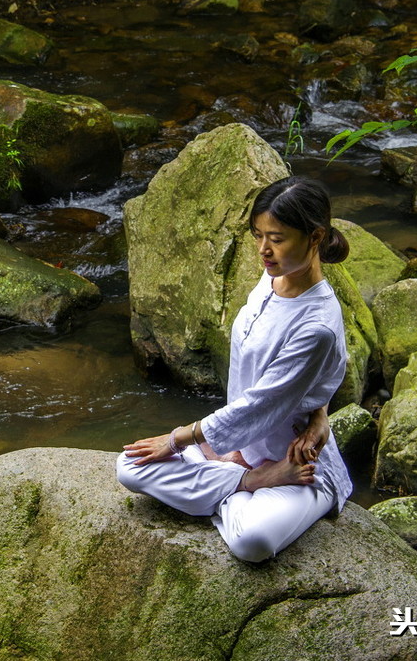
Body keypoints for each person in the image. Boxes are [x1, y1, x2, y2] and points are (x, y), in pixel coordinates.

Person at [116, 175, 353, 562]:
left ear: (315, 237)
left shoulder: (317, 324)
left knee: (252, 543)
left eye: (276, 239)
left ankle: (237, 487)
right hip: (239, 451)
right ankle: (248, 482)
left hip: (295, 467)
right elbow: (314, 379)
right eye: (258, 236)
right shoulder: (272, 277)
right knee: (129, 467)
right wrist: (319, 414)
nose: (264, 250)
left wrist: (177, 439)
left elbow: (265, 401)